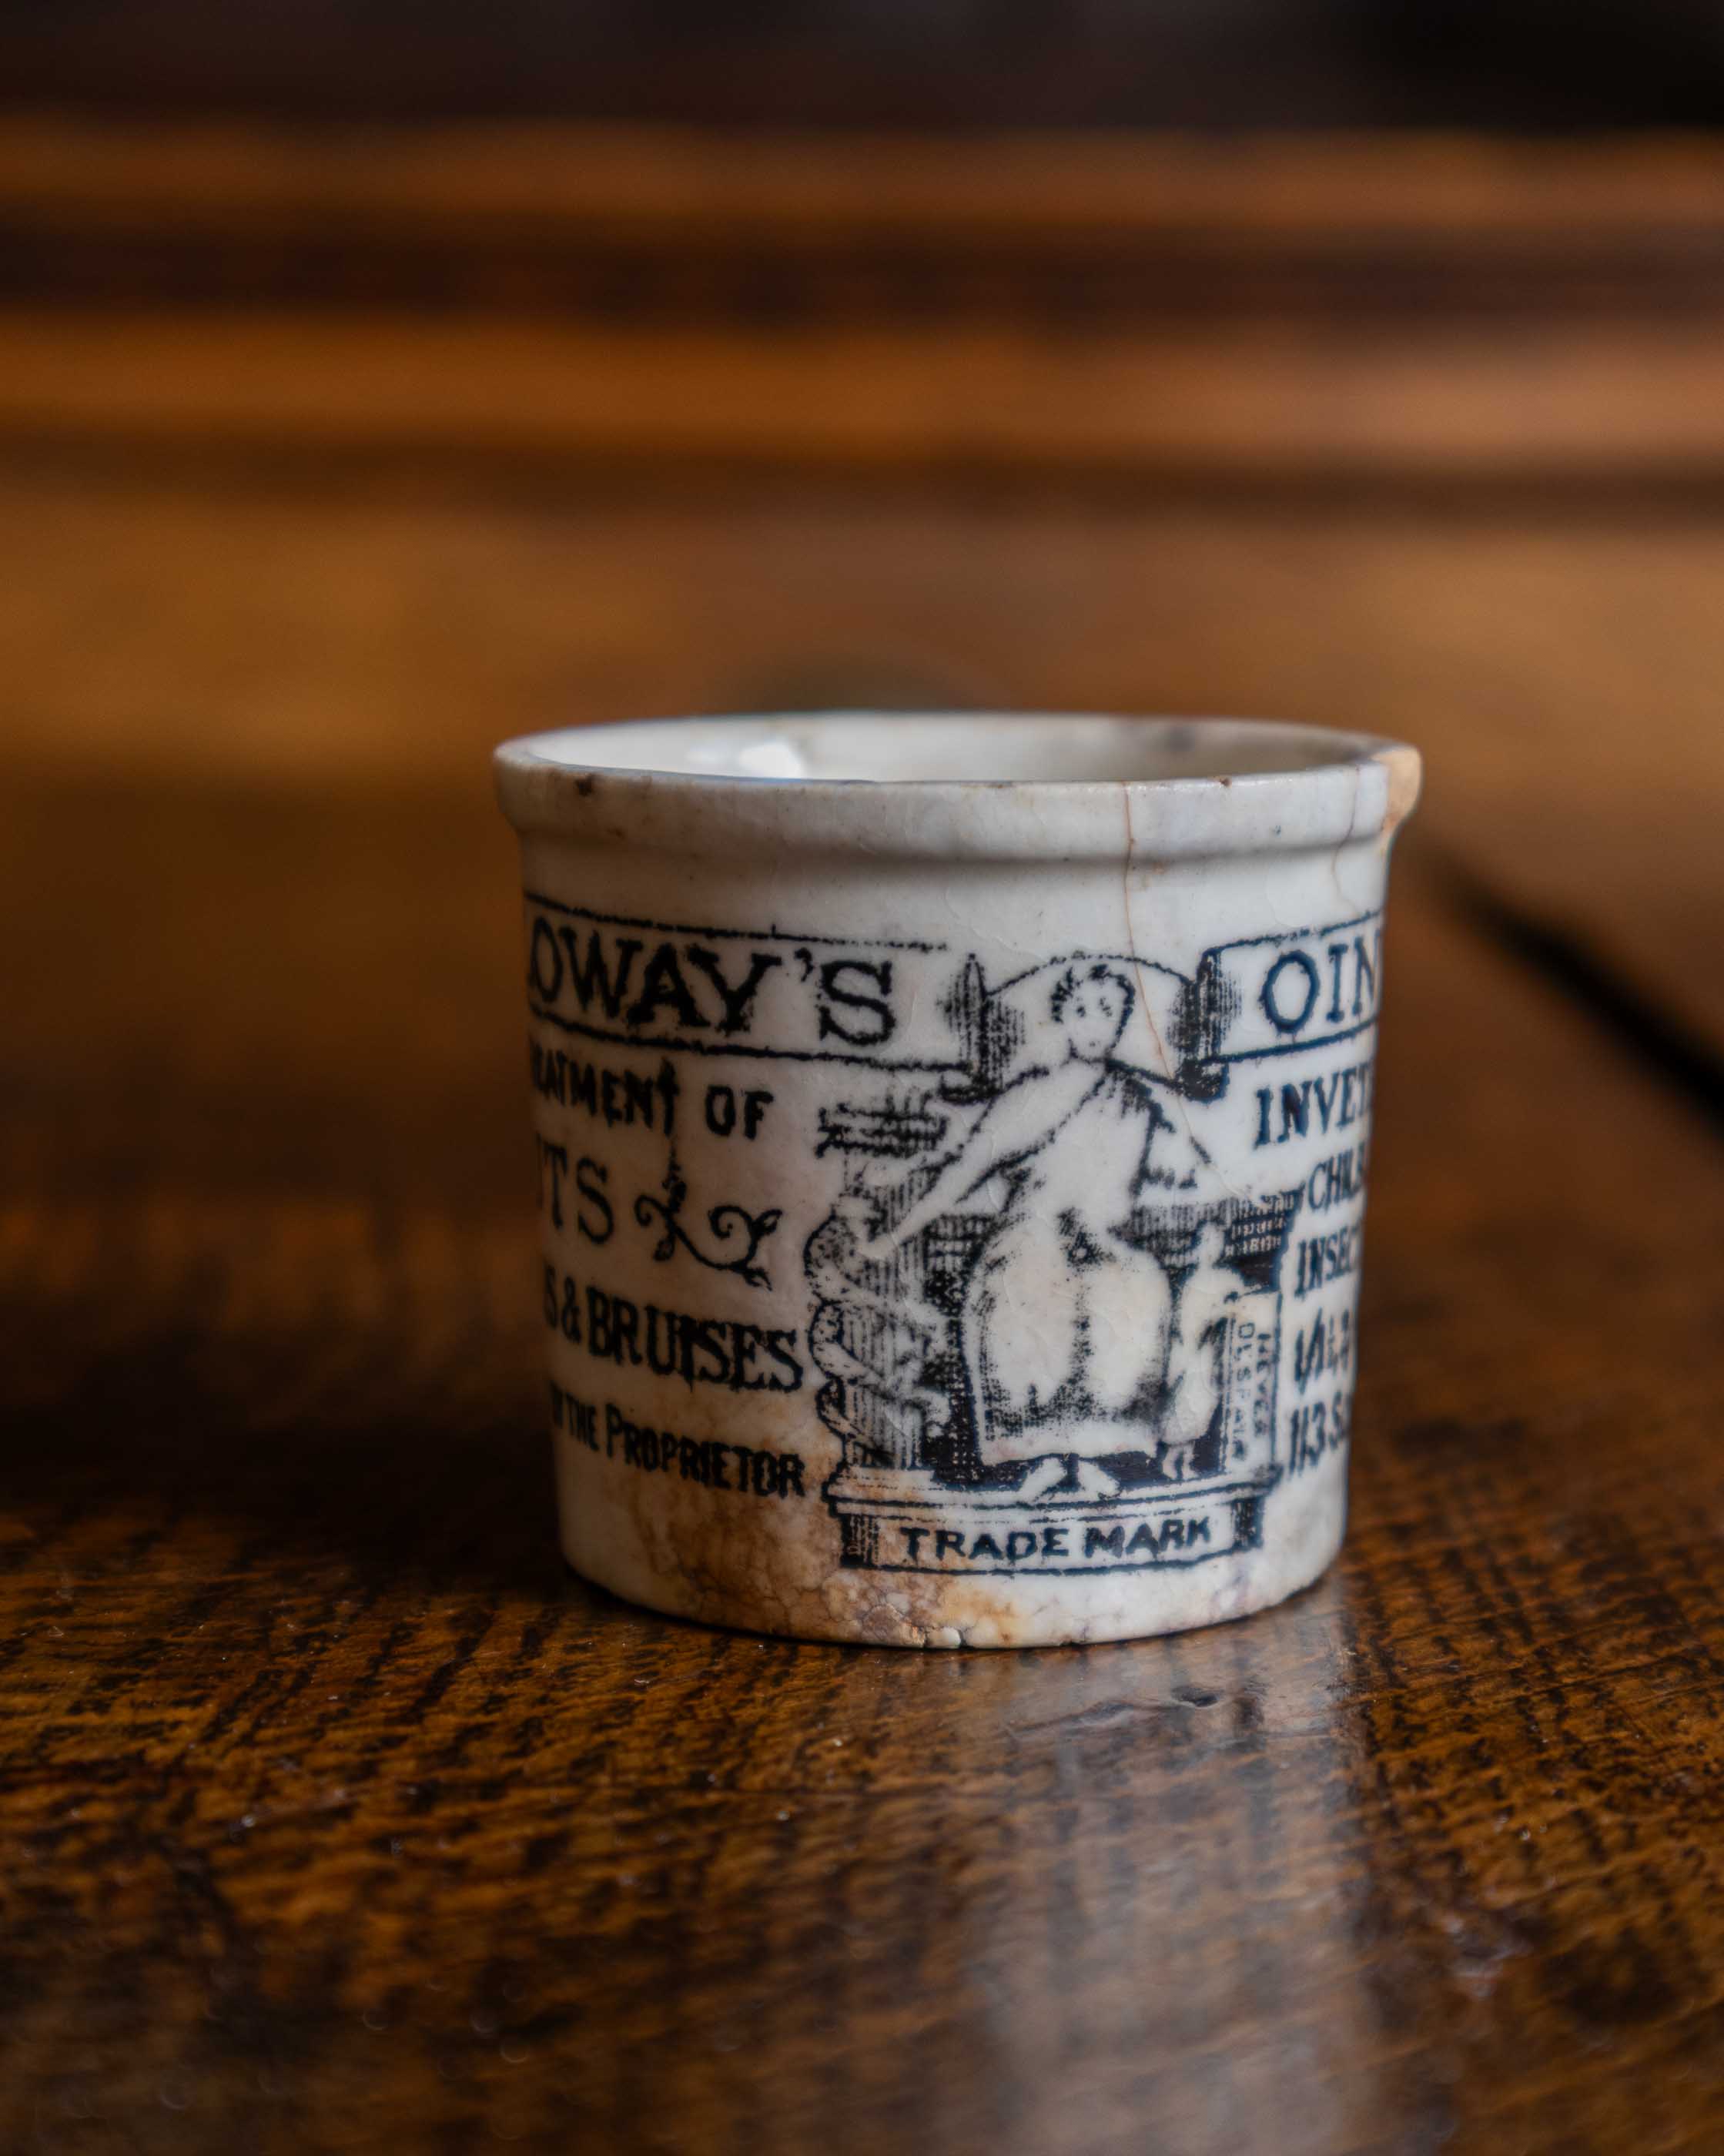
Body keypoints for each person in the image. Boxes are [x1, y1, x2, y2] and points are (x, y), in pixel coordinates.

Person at [858, 960, 1214, 1496]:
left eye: (1110, 1012)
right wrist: (894, 1234)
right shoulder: (1036, 1095)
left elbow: (1183, 1167)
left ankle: (1096, 1458)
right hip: (1034, 1236)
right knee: (1030, 1293)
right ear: (1065, 1018)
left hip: (1106, 1247)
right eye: (1084, 1010)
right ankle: (1036, 1460)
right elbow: (963, 1171)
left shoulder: (1135, 1100)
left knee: (1139, 1289)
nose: (1097, 1023)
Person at [1159, 1219, 1245, 1481]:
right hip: (1189, 1353)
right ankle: (1170, 1461)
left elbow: (1239, 1304)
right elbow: (1183, 1323)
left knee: (1202, 1405)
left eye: (1215, 1244)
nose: (1210, 1250)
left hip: (1208, 1354)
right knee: (1183, 1408)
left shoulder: (1226, 1279)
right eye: (1206, 1244)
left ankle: (1185, 1462)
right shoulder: (1189, 1282)